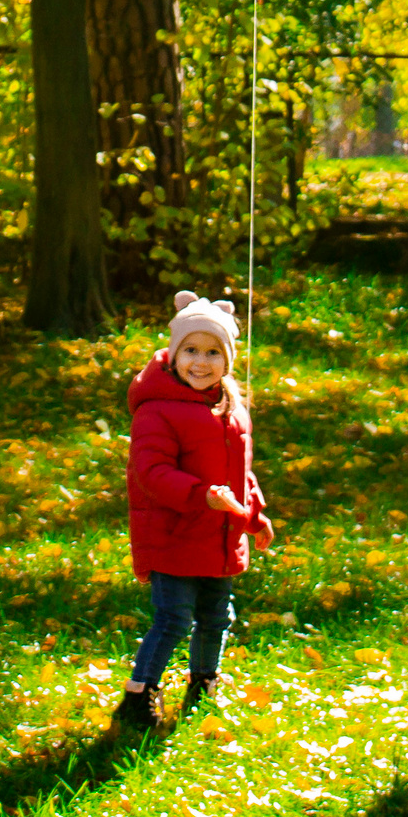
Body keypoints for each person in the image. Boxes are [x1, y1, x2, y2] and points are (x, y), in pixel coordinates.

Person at [113, 290, 275, 734]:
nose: (200, 362)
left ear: (228, 360)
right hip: (175, 531)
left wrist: (253, 514)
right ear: (173, 354)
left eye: (212, 352)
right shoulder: (157, 409)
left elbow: (242, 473)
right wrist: (201, 495)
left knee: (216, 616)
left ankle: (203, 682)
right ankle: (138, 694)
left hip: (220, 534)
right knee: (173, 618)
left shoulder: (230, 408)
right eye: (190, 350)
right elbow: (151, 470)